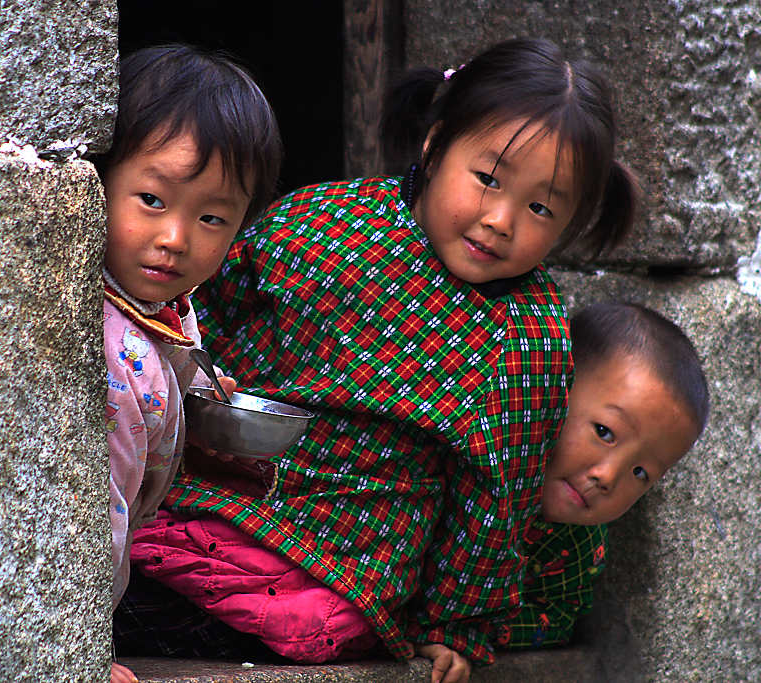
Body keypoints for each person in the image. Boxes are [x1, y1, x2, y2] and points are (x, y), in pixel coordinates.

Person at [115, 37, 639, 681]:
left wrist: (456, 627)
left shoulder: (526, 337)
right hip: (205, 499)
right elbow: (207, 309)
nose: (500, 219)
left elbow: (495, 502)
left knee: (244, 613)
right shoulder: (321, 223)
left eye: (538, 207)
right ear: (436, 141)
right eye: (488, 179)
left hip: (343, 564)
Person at [97, 44, 281, 683]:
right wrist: (85, 650)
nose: (176, 238)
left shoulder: (165, 302)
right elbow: (105, 515)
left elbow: (171, 355)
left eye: (210, 217)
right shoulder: (109, 365)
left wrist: (199, 391)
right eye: (151, 199)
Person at [491, 302, 708, 657]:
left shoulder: (577, 544)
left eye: (641, 473)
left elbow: (553, 620)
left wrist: (472, 631)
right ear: (551, 388)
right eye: (605, 432)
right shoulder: (477, 458)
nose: (607, 477)